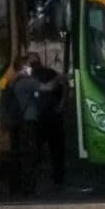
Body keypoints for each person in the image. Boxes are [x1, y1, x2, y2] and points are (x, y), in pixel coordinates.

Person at [4, 55, 60, 194]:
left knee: (19, 154)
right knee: (30, 155)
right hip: (27, 123)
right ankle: (28, 187)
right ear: (23, 68)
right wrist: (59, 78)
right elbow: (48, 87)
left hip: (17, 122)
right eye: (29, 66)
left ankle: (16, 186)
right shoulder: (26, 82)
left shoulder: (12, 81)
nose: (31, 69)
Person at [28, 52, 67, 185]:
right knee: (54, 150)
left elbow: (62, 87)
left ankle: (39, 179)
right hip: (46, 117)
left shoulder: (32, 77)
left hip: (45, 117)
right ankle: (57, 178)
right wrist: (61, 105)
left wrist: (61, 105)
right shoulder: (46, 74)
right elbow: (62, 86)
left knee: (42, 150)